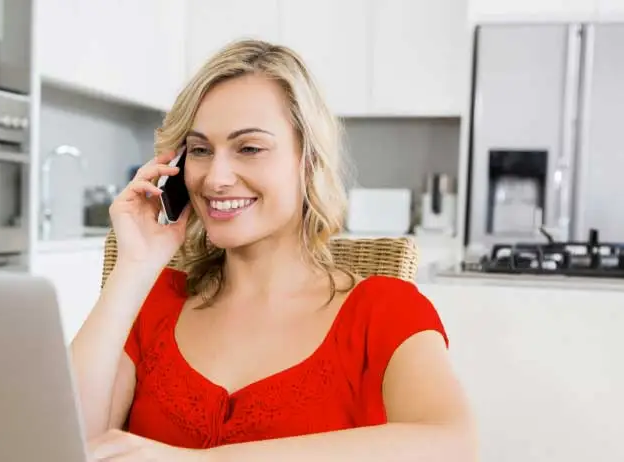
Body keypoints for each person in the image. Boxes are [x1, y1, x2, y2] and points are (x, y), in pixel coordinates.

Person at [69, 39, 477, 462]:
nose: (215, 178)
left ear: (309, 162)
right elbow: (60, 443)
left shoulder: (383, 311)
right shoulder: (152, 302)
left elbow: (452, 446)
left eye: (249, 148)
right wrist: (135, 266)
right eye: (202, 150)